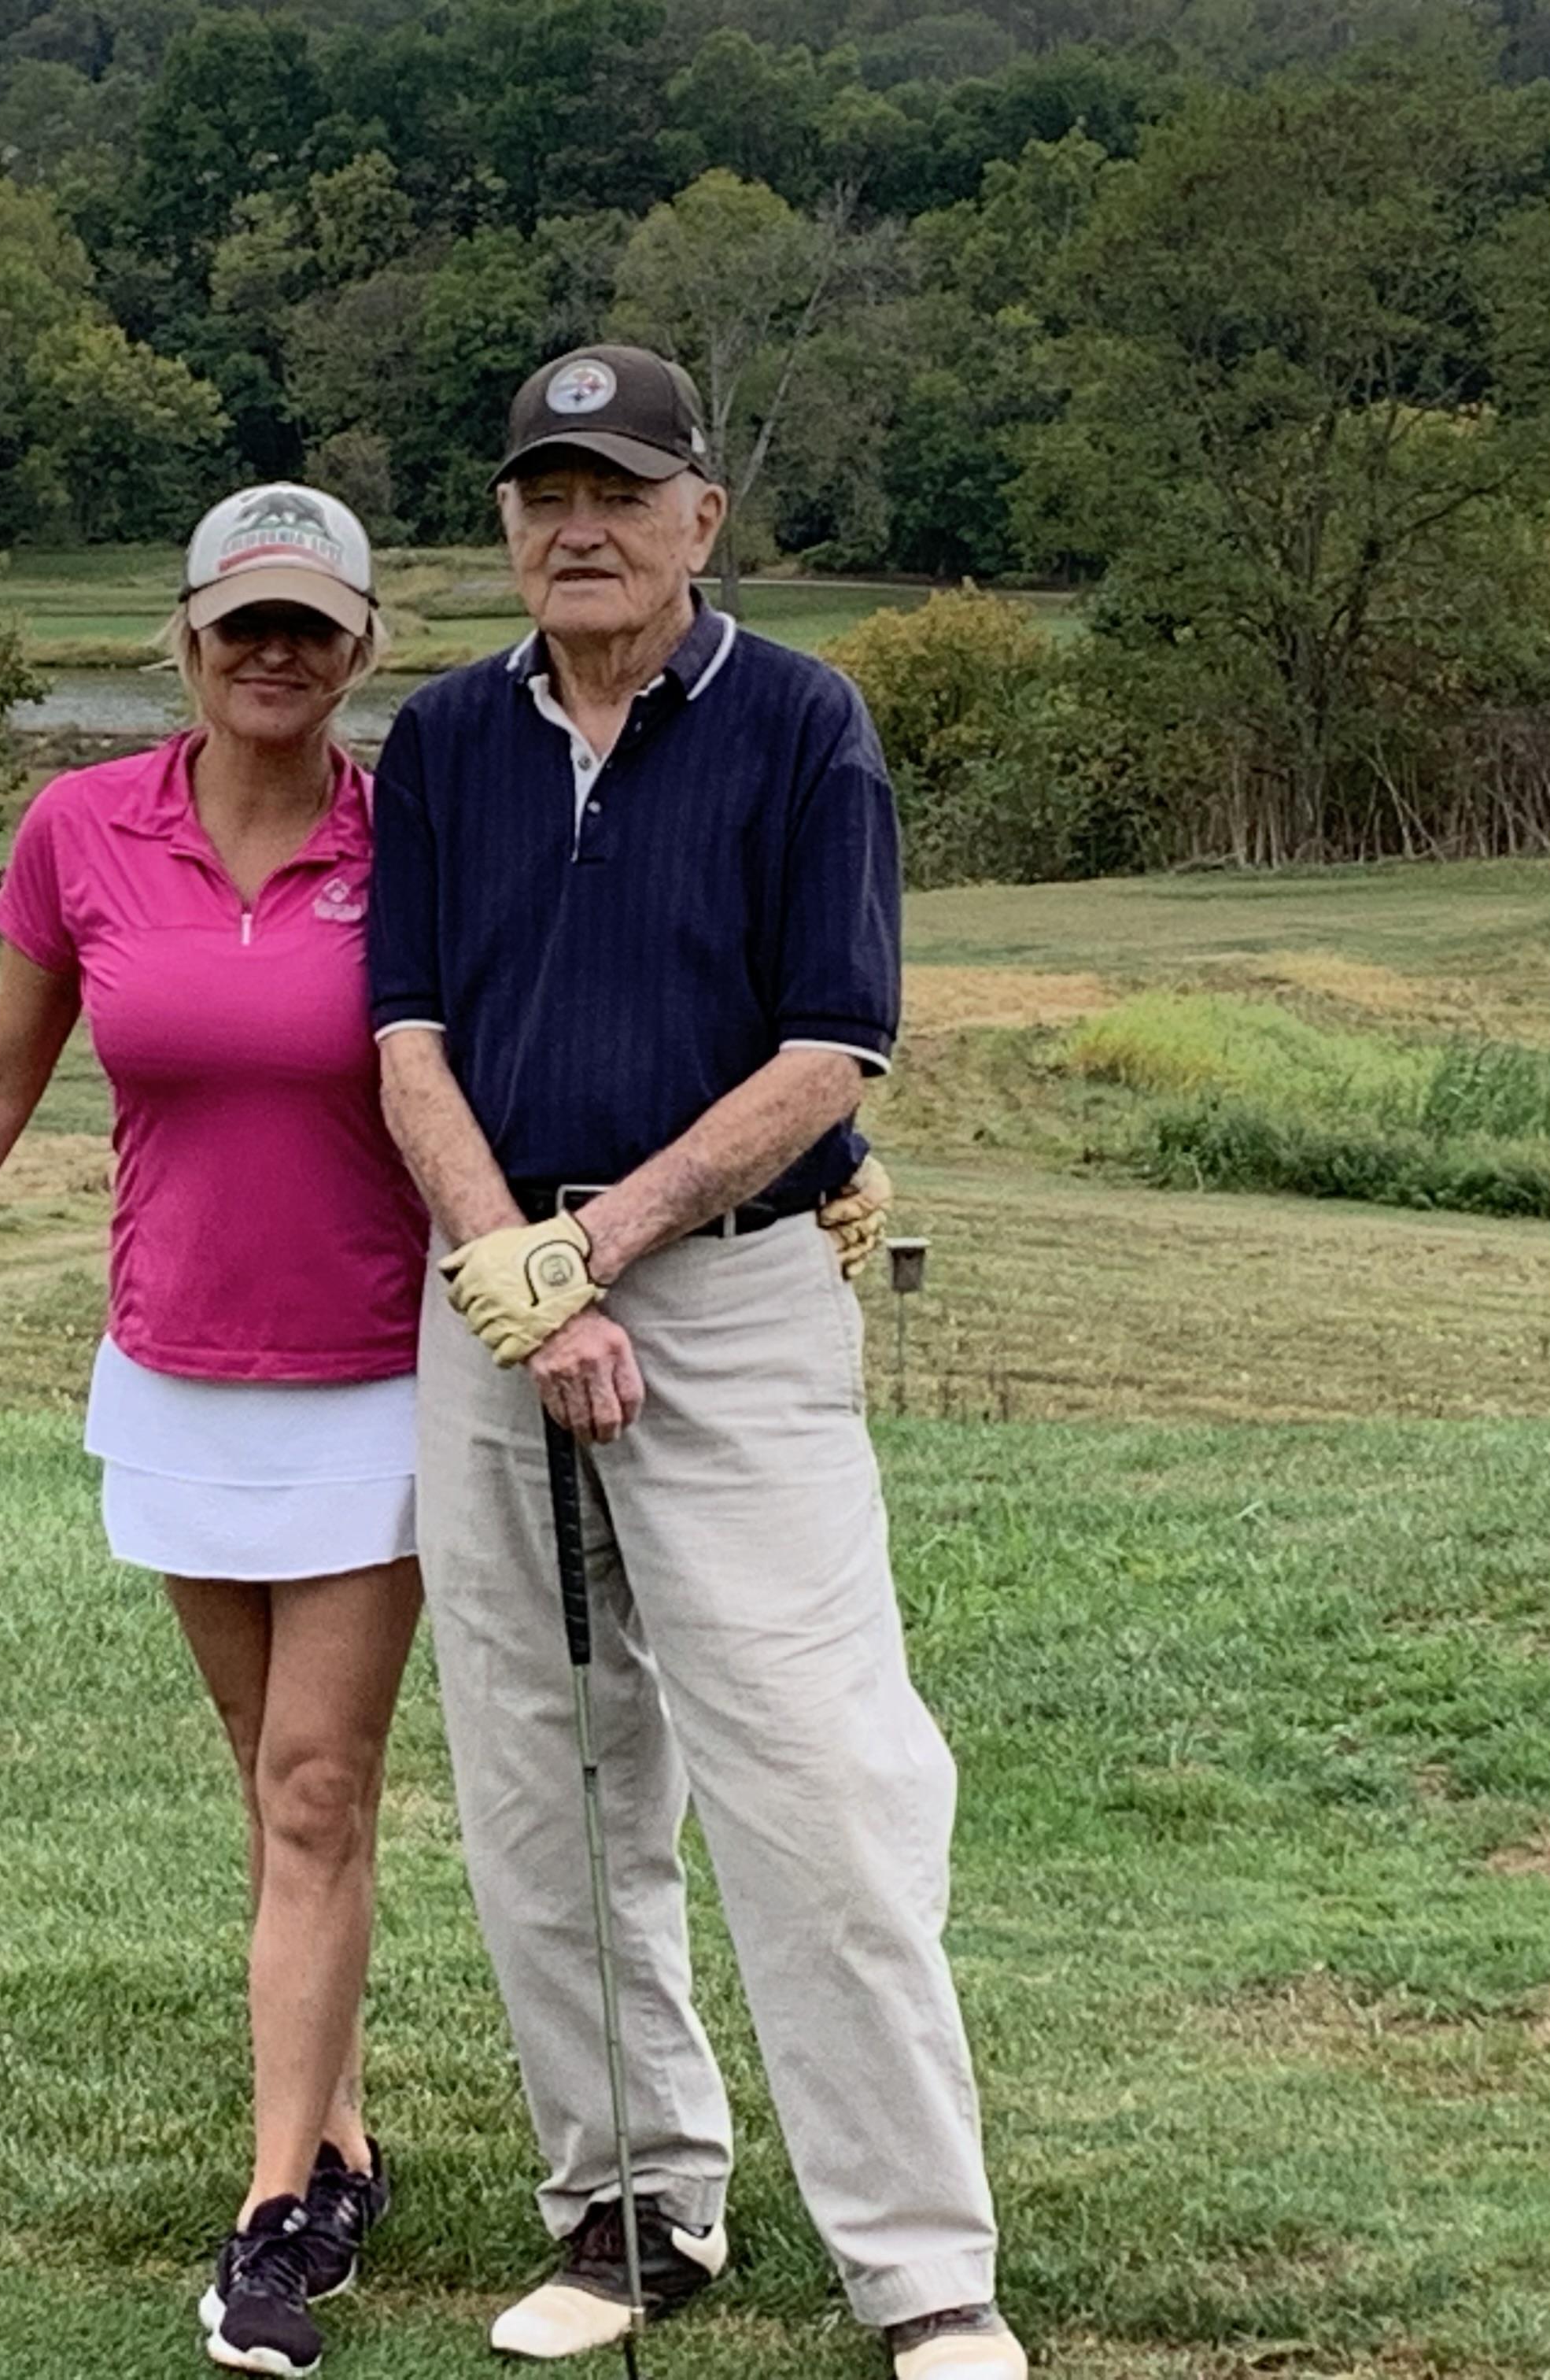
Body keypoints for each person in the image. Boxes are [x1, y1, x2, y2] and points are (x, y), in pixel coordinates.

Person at [364, 346, 1025, 2380]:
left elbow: (831, 1048)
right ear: (506, 523)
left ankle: (925, 2271)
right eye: (543, 492)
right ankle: (632, 2206)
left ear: (701, 521)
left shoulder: (803, 723)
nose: (578, 527)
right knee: (550, 1786)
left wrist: (609, 1247)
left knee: (818, 1784)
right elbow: (407, 1042)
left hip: (727, 1296)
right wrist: (524, 1278)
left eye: (620, 492)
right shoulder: (452, 739)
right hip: (496, 1302)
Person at [0, 485, 426, 2380]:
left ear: (361, 645)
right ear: (188, 639)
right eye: (243, 624)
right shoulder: (82, 830)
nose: (274, 653)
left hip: (374, 1378)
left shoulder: (418, 837)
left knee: (316, 1788)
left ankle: (274, 2217)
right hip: (173, 1375)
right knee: (275, 1779)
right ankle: (348, 2133)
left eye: (310, 624)